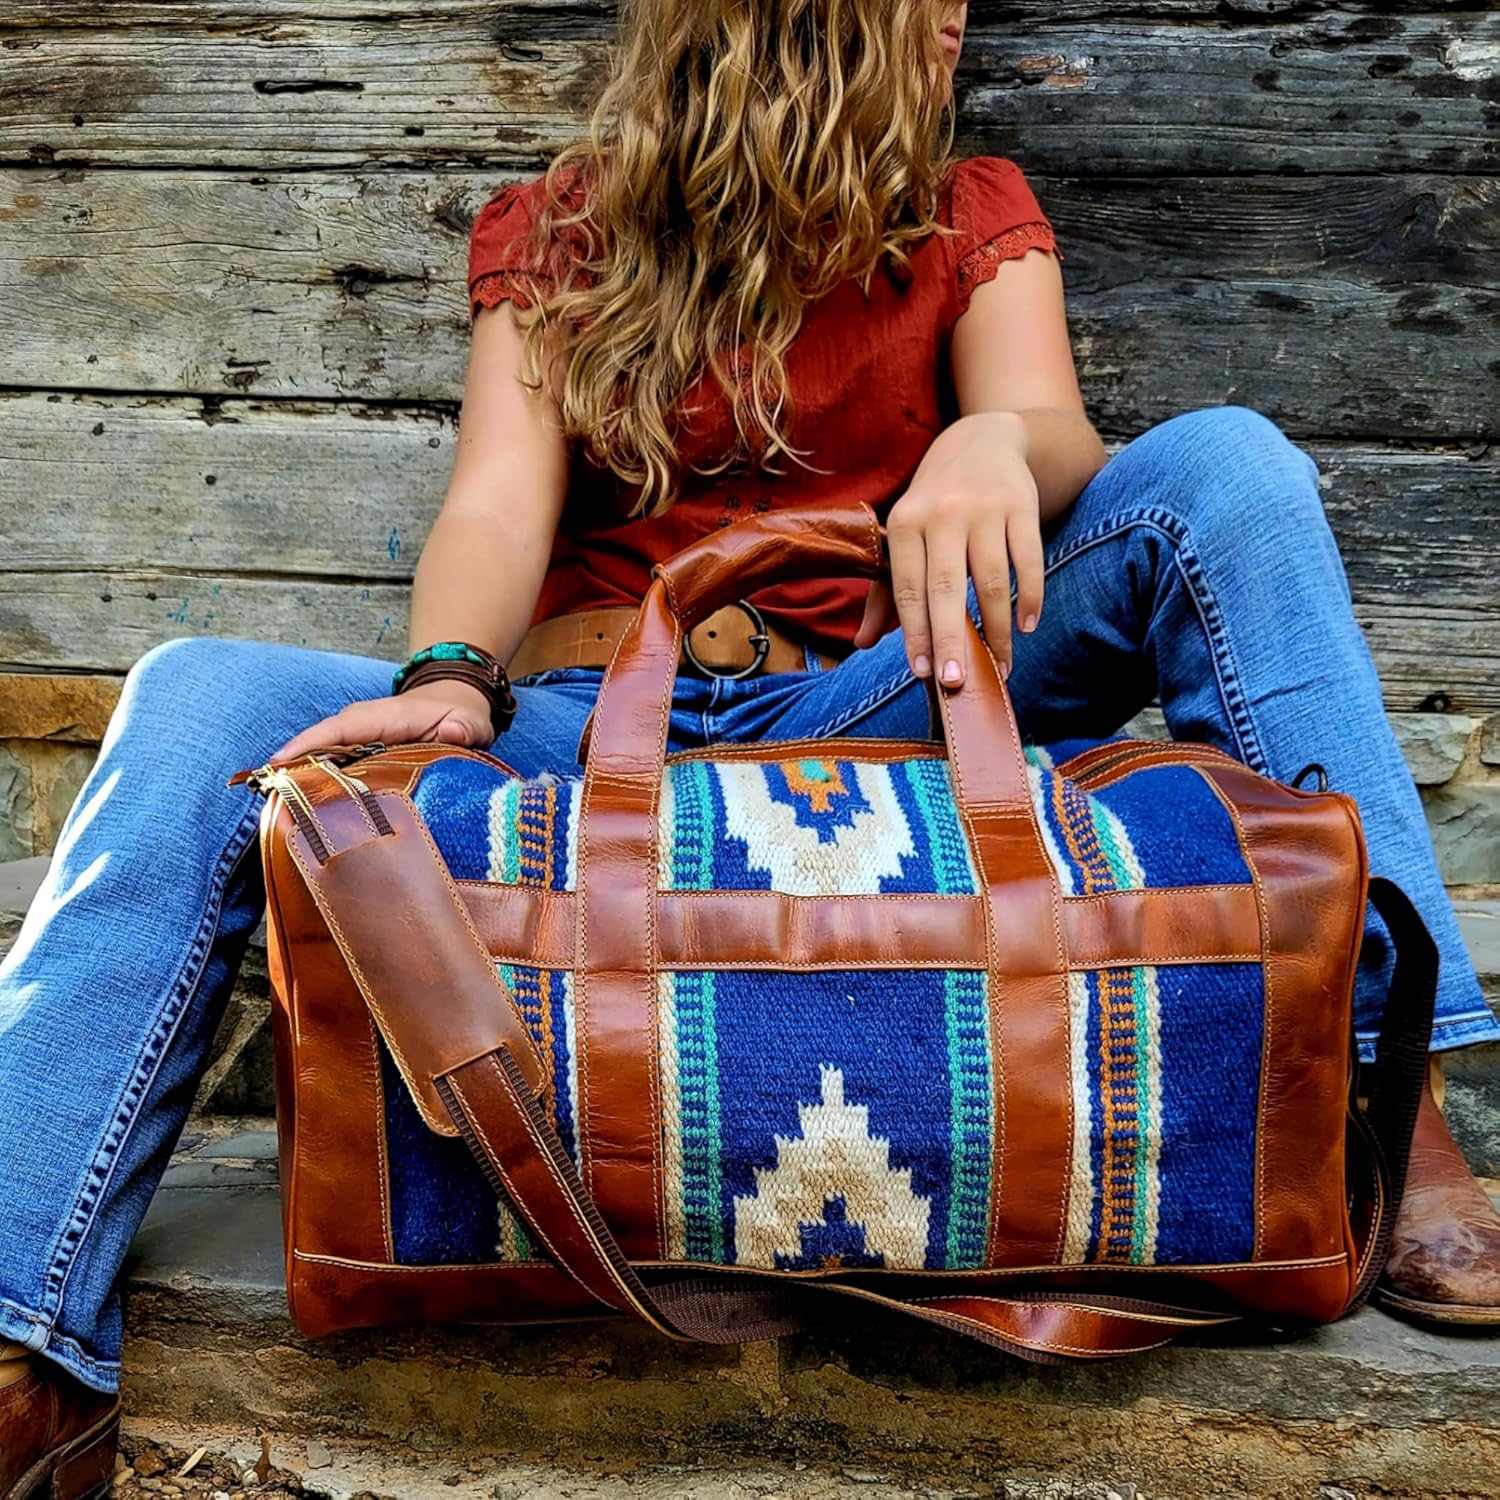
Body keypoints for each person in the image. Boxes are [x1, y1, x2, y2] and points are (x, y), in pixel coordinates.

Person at [3, 0, 1498, 1490]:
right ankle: (23, 1341)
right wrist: (454, 679)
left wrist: (998, 445)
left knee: (1225, 469)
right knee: (201, 689)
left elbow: (1054, 429)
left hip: (877, 696)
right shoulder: (558, 236)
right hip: (588, 717)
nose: (961, 17)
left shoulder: (968, 214)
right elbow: (496, 503)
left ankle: (1400, 1096)